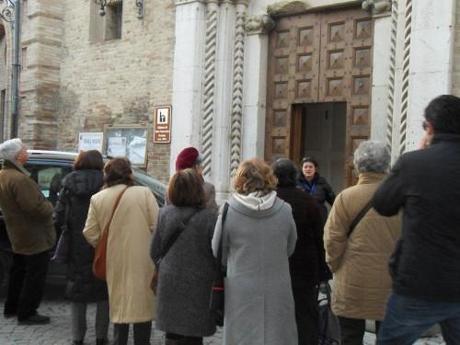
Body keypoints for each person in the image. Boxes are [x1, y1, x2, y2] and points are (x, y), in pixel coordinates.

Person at [373, 95, 460, 345]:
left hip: (420, 283)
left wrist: (419, 158)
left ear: (430, 127)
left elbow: (383, 204)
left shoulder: (414, 163)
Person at [212, 158, 298, 345]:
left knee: (242, 337)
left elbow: (217, 249)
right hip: (277, 285)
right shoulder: (285, 210)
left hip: (240, 286)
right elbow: (290, 246)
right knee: (277, 336)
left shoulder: (229, 210)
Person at [323, 141, 400, 345]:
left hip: (352, 280)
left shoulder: (345, 198)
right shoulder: (401, 197)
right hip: (391, 281)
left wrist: (334, 265)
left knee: (350, 336)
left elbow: (332, 240)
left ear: (357, 166)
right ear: (387, 165)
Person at [83, 158, 159, 345]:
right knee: (142, 308)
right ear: (129, 174)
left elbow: (90, 232)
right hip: (143, 259)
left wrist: (106, 246)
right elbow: (157, 225)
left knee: (119, 306)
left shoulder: (98, 198)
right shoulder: (144, 193)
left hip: (114, 260)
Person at [151, 169, 218, 345]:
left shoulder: (164, 213)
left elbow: (154, 251)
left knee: (172, 333)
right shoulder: (210, 217)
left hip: (170, 281)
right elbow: (217, 253)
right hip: (200, 282)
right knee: (194, 334)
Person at [54, 150, 109, 345]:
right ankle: (101, 336)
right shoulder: (106, 182)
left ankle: (78, 337)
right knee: (104, 291)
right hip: (102, 243)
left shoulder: (68, 182)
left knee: (78, 291)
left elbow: (58, 215)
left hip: (76, 244)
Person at [0, 138, 55, 325]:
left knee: (19, 271)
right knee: (34, 275)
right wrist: (49, 207)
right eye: (24, 149)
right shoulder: (19, 179)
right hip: (32, 234)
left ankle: (12, 307)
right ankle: (27, 312)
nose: (27, 151)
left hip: (18, 232)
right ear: (17, 155)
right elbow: (34, 207)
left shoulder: (5, 174)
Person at [272, 158, 323, 345]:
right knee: (305, 315)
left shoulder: (267, 201)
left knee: (275, 314)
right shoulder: (308, 201)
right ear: (295, 177)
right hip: (304, 267)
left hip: (276, 266)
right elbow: (319, 236)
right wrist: (322, 268)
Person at [297, 157, 335, 282]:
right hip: (301, 221)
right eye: (305, 167)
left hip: (319, 221)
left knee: (320, 247)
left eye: (310, 167)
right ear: (302, 169)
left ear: (315, 169)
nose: (308, 169)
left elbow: (334, 201)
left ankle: (323, 278)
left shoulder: (322, 183)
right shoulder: (296, 182)